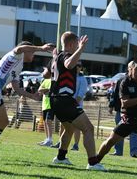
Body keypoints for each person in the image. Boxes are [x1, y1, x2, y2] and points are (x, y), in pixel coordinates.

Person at [49, 31, 105, 171]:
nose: (77, 47)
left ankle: (61, 157)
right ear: (71, 44)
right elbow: (68, 65)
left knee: (69, 129)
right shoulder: (66, 55)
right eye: (76, 44)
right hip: (65, 100)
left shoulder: (56, 57)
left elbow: (46, 74)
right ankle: (92, 162)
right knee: (88, 128)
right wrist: (80, 49)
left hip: (55, 100)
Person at [108, 64, 137, 157]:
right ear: (128, 69)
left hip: (134, 112)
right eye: (131, 67)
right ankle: (118, 151)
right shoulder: (121, 80)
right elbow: (114, 95)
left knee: (134, 132)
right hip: (120, 111)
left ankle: (134, 153)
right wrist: (111, 105)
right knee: (119, 131)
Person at [70, 61, 88, 151]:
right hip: (67, 105)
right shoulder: (69, 77)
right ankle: (61, 143)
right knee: (64, 125)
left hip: (76, 106)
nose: (77, 67)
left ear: (81, 68)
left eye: (79, 66)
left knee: (76, 127)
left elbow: (80, 95)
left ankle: (76, 145)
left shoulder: (82, 79)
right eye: (76, 65)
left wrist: (72, 104)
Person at [37, 67, 54, 146]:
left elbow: (52, 90)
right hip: (44, 104)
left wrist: (46, 90)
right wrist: (46, 90)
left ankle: (50, 139)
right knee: (45, 122)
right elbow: (39, 90)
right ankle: (47, 139)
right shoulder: (45, 80)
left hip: (51, 104)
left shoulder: (54, 81)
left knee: (48, 121)